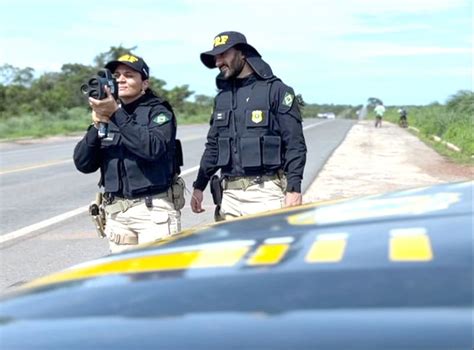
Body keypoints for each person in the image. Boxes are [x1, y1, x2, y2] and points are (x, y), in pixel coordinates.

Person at [73, 53, 185, 254]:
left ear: (144, 83)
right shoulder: (108, 114)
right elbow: (83, 164)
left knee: (157, 280)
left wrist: (116, 113)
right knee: (124, 280)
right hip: (117, 215)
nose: (121, 79)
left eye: (129, 75)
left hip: (152, 211)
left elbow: (153, 149)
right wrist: (98, 124)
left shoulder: (159, 112)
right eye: (116, 75)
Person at [191, 31, 307, 221]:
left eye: (223, 55)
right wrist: (199, 186)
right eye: (215, 57)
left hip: (266, 195)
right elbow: (213, 146)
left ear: (242, 53)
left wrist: (294, 188)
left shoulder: (277, 91)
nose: (218, 62)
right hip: (228, 198)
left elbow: (295, 144)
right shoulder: (222, 97)